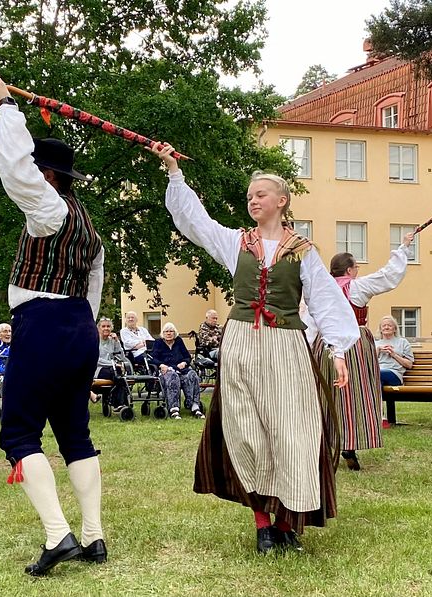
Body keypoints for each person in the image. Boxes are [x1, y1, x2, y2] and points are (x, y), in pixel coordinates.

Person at [150, 142, 359, 554]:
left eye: (260, 194)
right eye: (249, 197)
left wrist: (337, 350)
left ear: (281, 201)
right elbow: (196, 222)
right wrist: (174, 170)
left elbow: (325, 301)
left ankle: (287, 522)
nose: (252, 200)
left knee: (292, 431)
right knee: (248, 431)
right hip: (243, 344)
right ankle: (262, 523)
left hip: (286, 346)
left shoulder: (303, 252)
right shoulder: (236, 243)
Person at [0, 67, 107, 576]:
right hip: (80, 326)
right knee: (74, 432)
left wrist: (6, 107)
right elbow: (94, 291)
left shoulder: (49, 209)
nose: (36, 173)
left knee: (18, 433)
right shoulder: (91, 231)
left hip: (45, 322)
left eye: (41, 168)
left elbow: (16, 170)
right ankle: (95, 537)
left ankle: (59, 536)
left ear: (50, 176)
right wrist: (80, 332)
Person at [308, 232, 414, 470]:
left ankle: (324, 444)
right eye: (355, 267)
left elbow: (311, 320)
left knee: (325, 395)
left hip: (324, 344)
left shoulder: (321, 289)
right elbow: (389, 276)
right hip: (353, 343)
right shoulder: (357, 287)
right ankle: (349, 444)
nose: (357, 271)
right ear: (348, 270)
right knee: (354, 394)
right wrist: (404, 247)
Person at [150, 322, 205, 419]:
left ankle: (194, 405)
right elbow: (153, 358)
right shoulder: (158, 342)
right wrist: (161, 365)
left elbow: (187, 357)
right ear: (163, 333)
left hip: (180, 370)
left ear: (174, 333)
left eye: (171, 331)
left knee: (192, 375)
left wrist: (184, 363)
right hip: (166, 371)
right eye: (166, 331)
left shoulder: (178, 341)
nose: (169, 333)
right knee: (173, 376)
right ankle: (174, 408)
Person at [90, 317, 129, 411]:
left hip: (113, 370)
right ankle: (119, 403)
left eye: (108, 326)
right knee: (117, 373)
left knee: (118, 374)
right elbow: (96, 360)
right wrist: (113, 364)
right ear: (98, 328)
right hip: (98, 370)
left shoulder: (112, 341)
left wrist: (117, 341)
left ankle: (120, 403)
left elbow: (122, 357)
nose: (106, 328)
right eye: (103, 326)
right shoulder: (93, 341)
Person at [375, 315, 414, 388]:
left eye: (389, 325)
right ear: (380, 329)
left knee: (377, 375)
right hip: (377, 373)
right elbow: (368, 364)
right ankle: (387, 399)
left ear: (395, 329)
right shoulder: (375, 344)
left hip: (394, 374)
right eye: (384, 326)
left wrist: (394, 355)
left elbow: (409, 364)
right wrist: (378, 350)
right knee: (376, 377)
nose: (386, 327)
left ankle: (376, 399)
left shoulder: (402, 342)